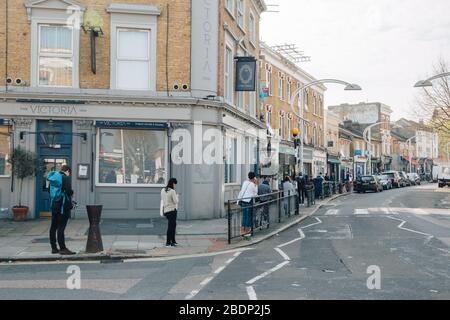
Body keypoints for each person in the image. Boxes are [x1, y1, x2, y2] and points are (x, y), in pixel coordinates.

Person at [49, 165, 75, 255]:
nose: (69, 174)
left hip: (54, 204)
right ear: (67, 171)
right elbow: (68, 191)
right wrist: (72, 192)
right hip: (63, 206)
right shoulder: (65, 178)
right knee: (61, 227)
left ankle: (54, 248)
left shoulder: (53, 178)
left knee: (53, 227)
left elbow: (50, 191)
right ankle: (63, 248)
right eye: (69, 173)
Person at [161, 178, 179, 247]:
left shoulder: (163, 190)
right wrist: (177, 196)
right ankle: (168, 242)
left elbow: (163, 199)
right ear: (173, 183)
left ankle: (173, 241)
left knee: (173, 225)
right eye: (175, 184)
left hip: (166, 211)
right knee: (171, 227)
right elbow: (176, 201)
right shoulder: (172, 191)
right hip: (172, 211)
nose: (175, 186)